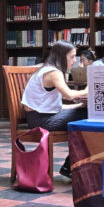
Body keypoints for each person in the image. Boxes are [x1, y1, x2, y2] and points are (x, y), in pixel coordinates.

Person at [22, 40, 88, 178]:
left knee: (84, 113)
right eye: (72, 56)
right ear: (62, 56)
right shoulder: (53, 72)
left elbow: (54, 106)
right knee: (89, 116)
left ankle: (70, 166)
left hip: (39, 117)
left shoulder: (46, 69)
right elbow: (69, 95)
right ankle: (70, 166)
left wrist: (79, 105)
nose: (74, 61)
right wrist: (88, 90)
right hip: (42, 122)